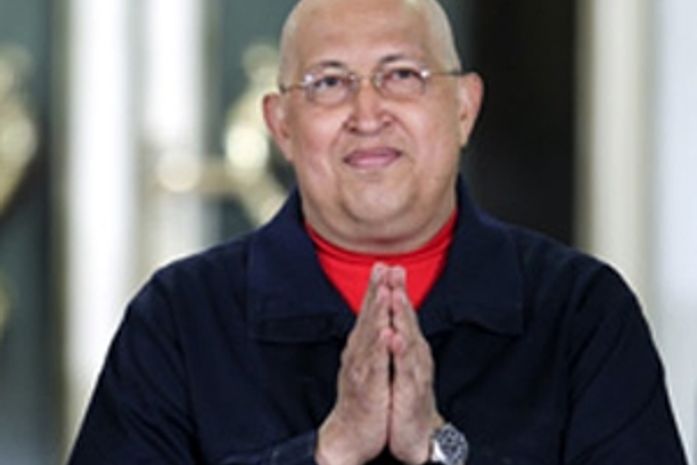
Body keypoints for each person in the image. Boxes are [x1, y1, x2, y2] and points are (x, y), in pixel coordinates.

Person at [67, 0, 688, 464]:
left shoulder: (581, 313)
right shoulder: (180, 318)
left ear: (464, 108)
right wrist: (326, 452)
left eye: (402, 75)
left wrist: (439, 449)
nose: (367, 114)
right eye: (329, 83)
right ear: (281, 126)